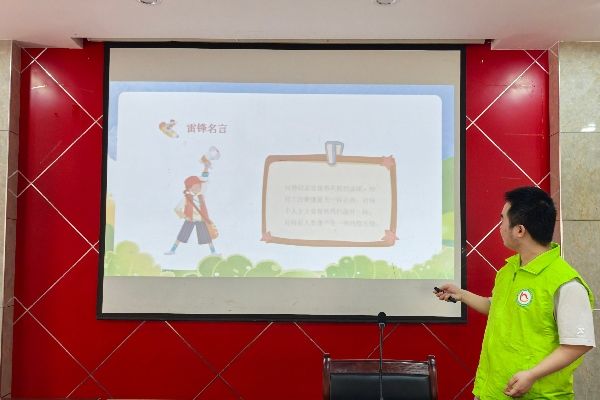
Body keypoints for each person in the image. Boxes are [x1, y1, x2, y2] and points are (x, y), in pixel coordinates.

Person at [435, 186, 595, 399]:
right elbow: (498, 307)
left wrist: (532, 375)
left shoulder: (566, 283)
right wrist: (461, 294)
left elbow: (578, 344)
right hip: (493, 392)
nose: (500, 227)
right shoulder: (509, 270)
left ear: (519, 230)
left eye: (502, 220)